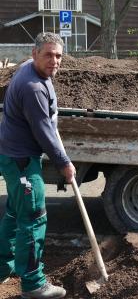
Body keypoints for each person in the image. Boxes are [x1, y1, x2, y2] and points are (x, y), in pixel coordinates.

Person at [0, 32, 76, 299]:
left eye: (58, 56)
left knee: (14, 214)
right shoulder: (33, 87)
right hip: (21, 161)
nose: (54, 60)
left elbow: (47, 123)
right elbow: (43, 131)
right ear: (34, 54)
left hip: (13, 156)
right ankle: (33, 284)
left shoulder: (32, 72)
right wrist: (64, 163)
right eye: (48, 55)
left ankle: (2, 267)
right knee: (33, 218)